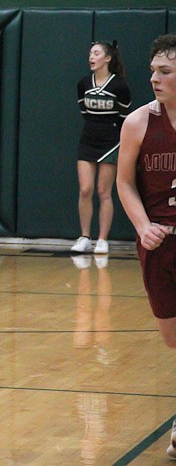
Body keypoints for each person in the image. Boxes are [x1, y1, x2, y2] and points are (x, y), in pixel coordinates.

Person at [115, 34, 176, 459]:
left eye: (165, 71)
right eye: (153, 70)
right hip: (158, 243)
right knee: (173, 339)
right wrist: (142, 226)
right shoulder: (138, 122)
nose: (153, 78)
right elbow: (123, 182)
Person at [71, 40, 132, 255]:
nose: (91, 57)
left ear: (108, 58)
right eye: (90, 53)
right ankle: (85, 236)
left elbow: (125, 118)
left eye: (96, 53)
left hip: (111, 141)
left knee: (103, 191)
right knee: (85, 189)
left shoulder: (120, 86)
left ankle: (102, 239)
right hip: (88, 138)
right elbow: (84, 112)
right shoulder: (83, 83)